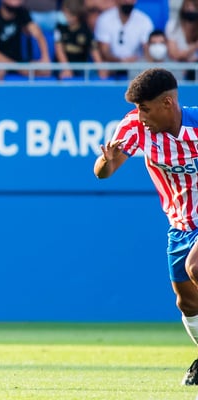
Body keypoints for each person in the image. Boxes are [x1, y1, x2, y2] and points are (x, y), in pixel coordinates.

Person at [93, 67, 198, 386]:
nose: (140, 116)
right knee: (187, 301)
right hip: (180, 225)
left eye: (145, 108)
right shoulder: (135, 127)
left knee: (196, 266)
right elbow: (103, 173)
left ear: (168, 103)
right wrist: (106, 161)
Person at [0, 0, 51, 80]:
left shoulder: (22, 13)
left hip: (18, 63)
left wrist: (45, 57)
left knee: (45, 71)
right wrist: (17, 67)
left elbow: (38, 34)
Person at [93, 0, 154, 79]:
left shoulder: (144, 20)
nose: (128, 2)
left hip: (136, 67)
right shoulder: (105, 19)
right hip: (112, 66)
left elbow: (147, 50)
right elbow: (104, 51)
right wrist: (120, 61)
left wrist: (137, 60)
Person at [54, 0, 106, 80]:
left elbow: (94, 50)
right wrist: (66, 68)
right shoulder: (60, 28)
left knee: (95, 76)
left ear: (76, 15)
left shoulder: (86, 30)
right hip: (63, 66)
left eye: (66, 13)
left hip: (81, 67)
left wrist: (101, 69)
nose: (64, 15)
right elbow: (59, 50)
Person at [166, 0, 198, 80]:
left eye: (194, 7)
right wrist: (195, 46)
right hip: (177, 70)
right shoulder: (173, 26)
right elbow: (174, 54)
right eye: (187, 6)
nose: (190, 9)